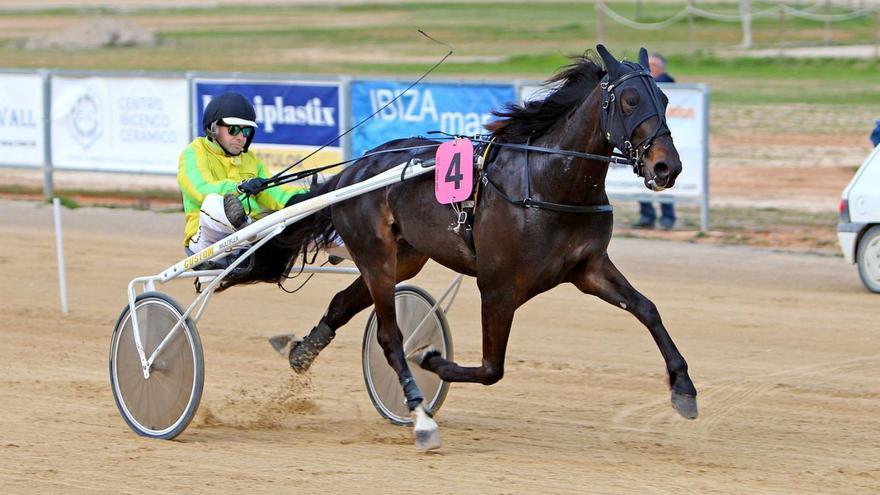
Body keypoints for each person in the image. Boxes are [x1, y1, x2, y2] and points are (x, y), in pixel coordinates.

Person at [177, 91, 308, 267]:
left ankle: (335, 238)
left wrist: (302, 198)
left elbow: (273, 192)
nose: (240, 137)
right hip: (207, 242)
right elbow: (199, 188)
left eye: (245, 131)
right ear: (214, 128)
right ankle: (247, 232)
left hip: (249, 238)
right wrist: (239, 187)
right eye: (233, 130)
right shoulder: (194, 152)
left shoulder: (251, 160)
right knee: (214, 202)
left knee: (308, 208)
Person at [632, 52, 676, 230]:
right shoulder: (640, 85)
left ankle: (667, 215)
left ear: (659, 68)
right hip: (646, 141)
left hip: (661, 141)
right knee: (644, 176)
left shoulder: (665, 84)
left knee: (665, 176)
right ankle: (647, 215)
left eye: (652, 65)